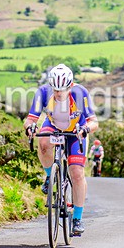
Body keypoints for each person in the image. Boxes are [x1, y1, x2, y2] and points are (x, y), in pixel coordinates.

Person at [24, 64, 98, 236]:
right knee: (43, 144)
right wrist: (29, 127)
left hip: (76, 130)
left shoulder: (80, 93)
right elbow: (30, 119)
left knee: (77, 173)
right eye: (55, 89)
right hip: (53, 125)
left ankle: (77, 218)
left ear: (70, 85)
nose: (58, 93)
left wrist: (86, 129)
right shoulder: (43, 92)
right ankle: (49, 176)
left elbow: (93, 122)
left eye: (62, 89)